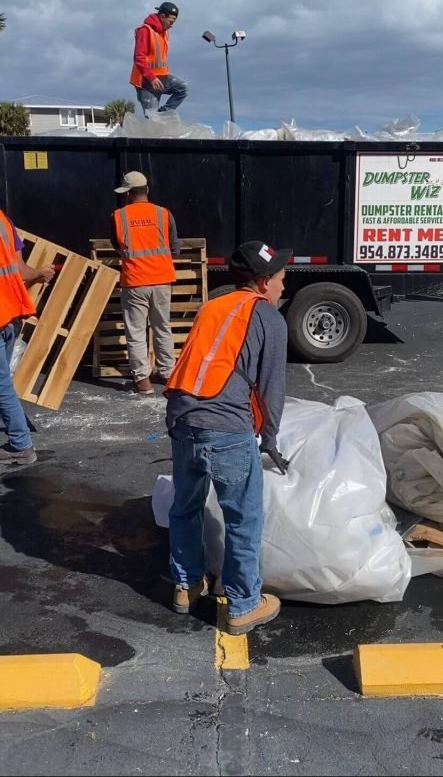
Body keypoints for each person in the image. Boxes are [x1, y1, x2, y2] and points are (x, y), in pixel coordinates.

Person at [164, 240, 291, 635]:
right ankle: (243, 605)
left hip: (183, 419)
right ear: (263, 281)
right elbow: (272, 387)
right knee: (243, 518)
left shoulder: (213, 305)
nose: (284, 286)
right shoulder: (268, 317)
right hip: (227, 428)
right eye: (282, 278)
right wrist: (269, 438)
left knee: (185, 508)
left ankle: (186, 585)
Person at [111, 171, 180, 395]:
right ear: (147, 191)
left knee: (136, 333)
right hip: (161, 280)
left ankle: (143, 382)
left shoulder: (119, 216)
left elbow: (117, 245)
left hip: (135, 282)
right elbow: (175, 248)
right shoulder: (164, 214)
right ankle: (168, 374)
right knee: (162, 328)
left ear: (129, 193)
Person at [0, 211, 55, 465]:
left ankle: (22, 444)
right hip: (11, 313)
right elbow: (20, 270)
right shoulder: (4, 221)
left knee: (1, 386)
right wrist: (40, 273)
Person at [129, 1, 189, 118]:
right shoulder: (145, 30)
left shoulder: (165, 33)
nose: (172, 25)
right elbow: (139, 57)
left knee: (183, 88)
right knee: (152, 122)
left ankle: (162, 114)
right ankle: (156, 118)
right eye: (171, 21)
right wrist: (151, 77)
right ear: (162, 16)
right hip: (146, 81)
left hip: (161, 78)